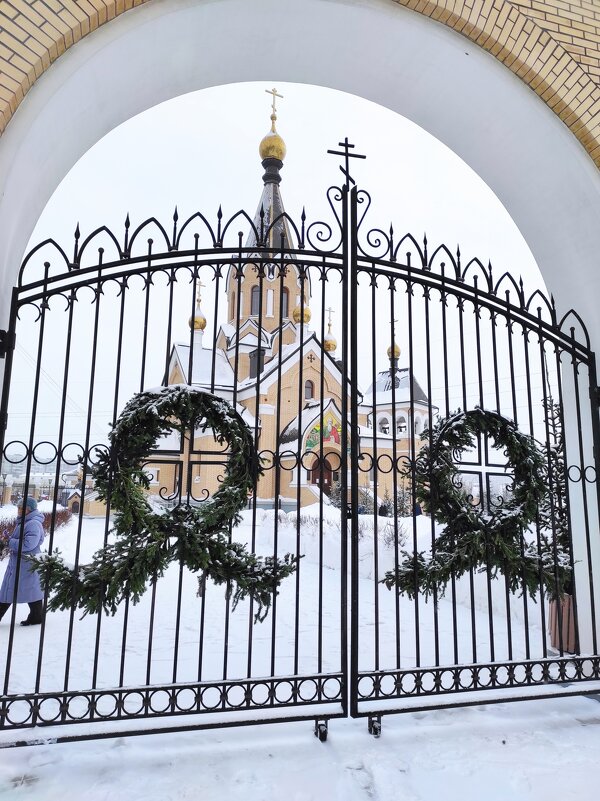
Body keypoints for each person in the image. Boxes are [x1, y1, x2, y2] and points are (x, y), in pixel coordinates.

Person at [0, 496, 46, 626]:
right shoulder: (25, 521)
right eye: (18, 507)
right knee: (30, 590)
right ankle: (36, 616)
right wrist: (9, 538)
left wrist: (9, 541)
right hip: (22, 563)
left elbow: (28, 544)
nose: (19, 510)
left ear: (30, 510)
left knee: (10, 590)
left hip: (26, 563)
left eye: (22, 508)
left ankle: (37, 616)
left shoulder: (33, 523)